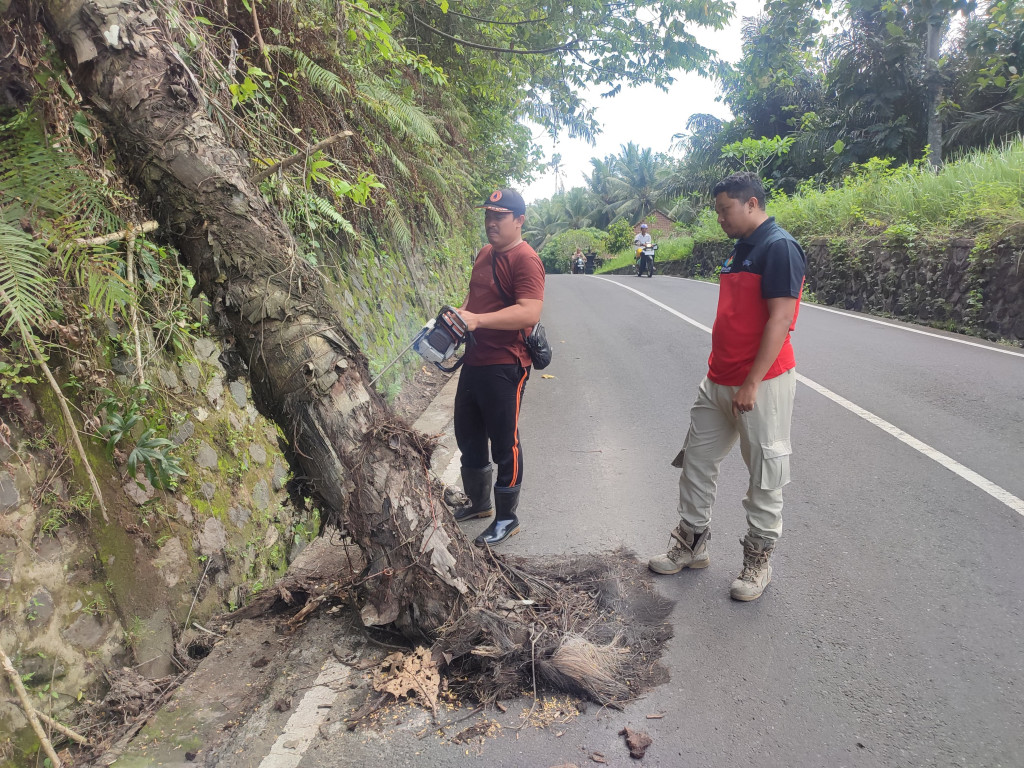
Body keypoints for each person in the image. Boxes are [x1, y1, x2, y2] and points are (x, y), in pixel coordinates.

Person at [648, 172, 806, 602]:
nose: (719, 218)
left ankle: (758, 560)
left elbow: (780, 320)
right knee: (697, 462)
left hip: (762, 383)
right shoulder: (741, 249)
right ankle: (693, 543)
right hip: (718, 379)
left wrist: (752, 382)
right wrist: (722, 377)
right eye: (717, 210)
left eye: (725, 210)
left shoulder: (780, 248)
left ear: (752, 203)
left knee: (764, 474)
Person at [451, 188, 545, 546]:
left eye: (500, 216)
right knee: (468, 433)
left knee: (505, 443)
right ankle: (480, 504)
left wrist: (478, 320)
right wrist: (461, 318)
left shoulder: (525, 259)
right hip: (475, 359)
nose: (491, 222)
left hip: (507, 363)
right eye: (488, 215)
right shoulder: (485, 253)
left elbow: (529, 311)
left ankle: (508, 517)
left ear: (519, 220)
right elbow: (475, 300)